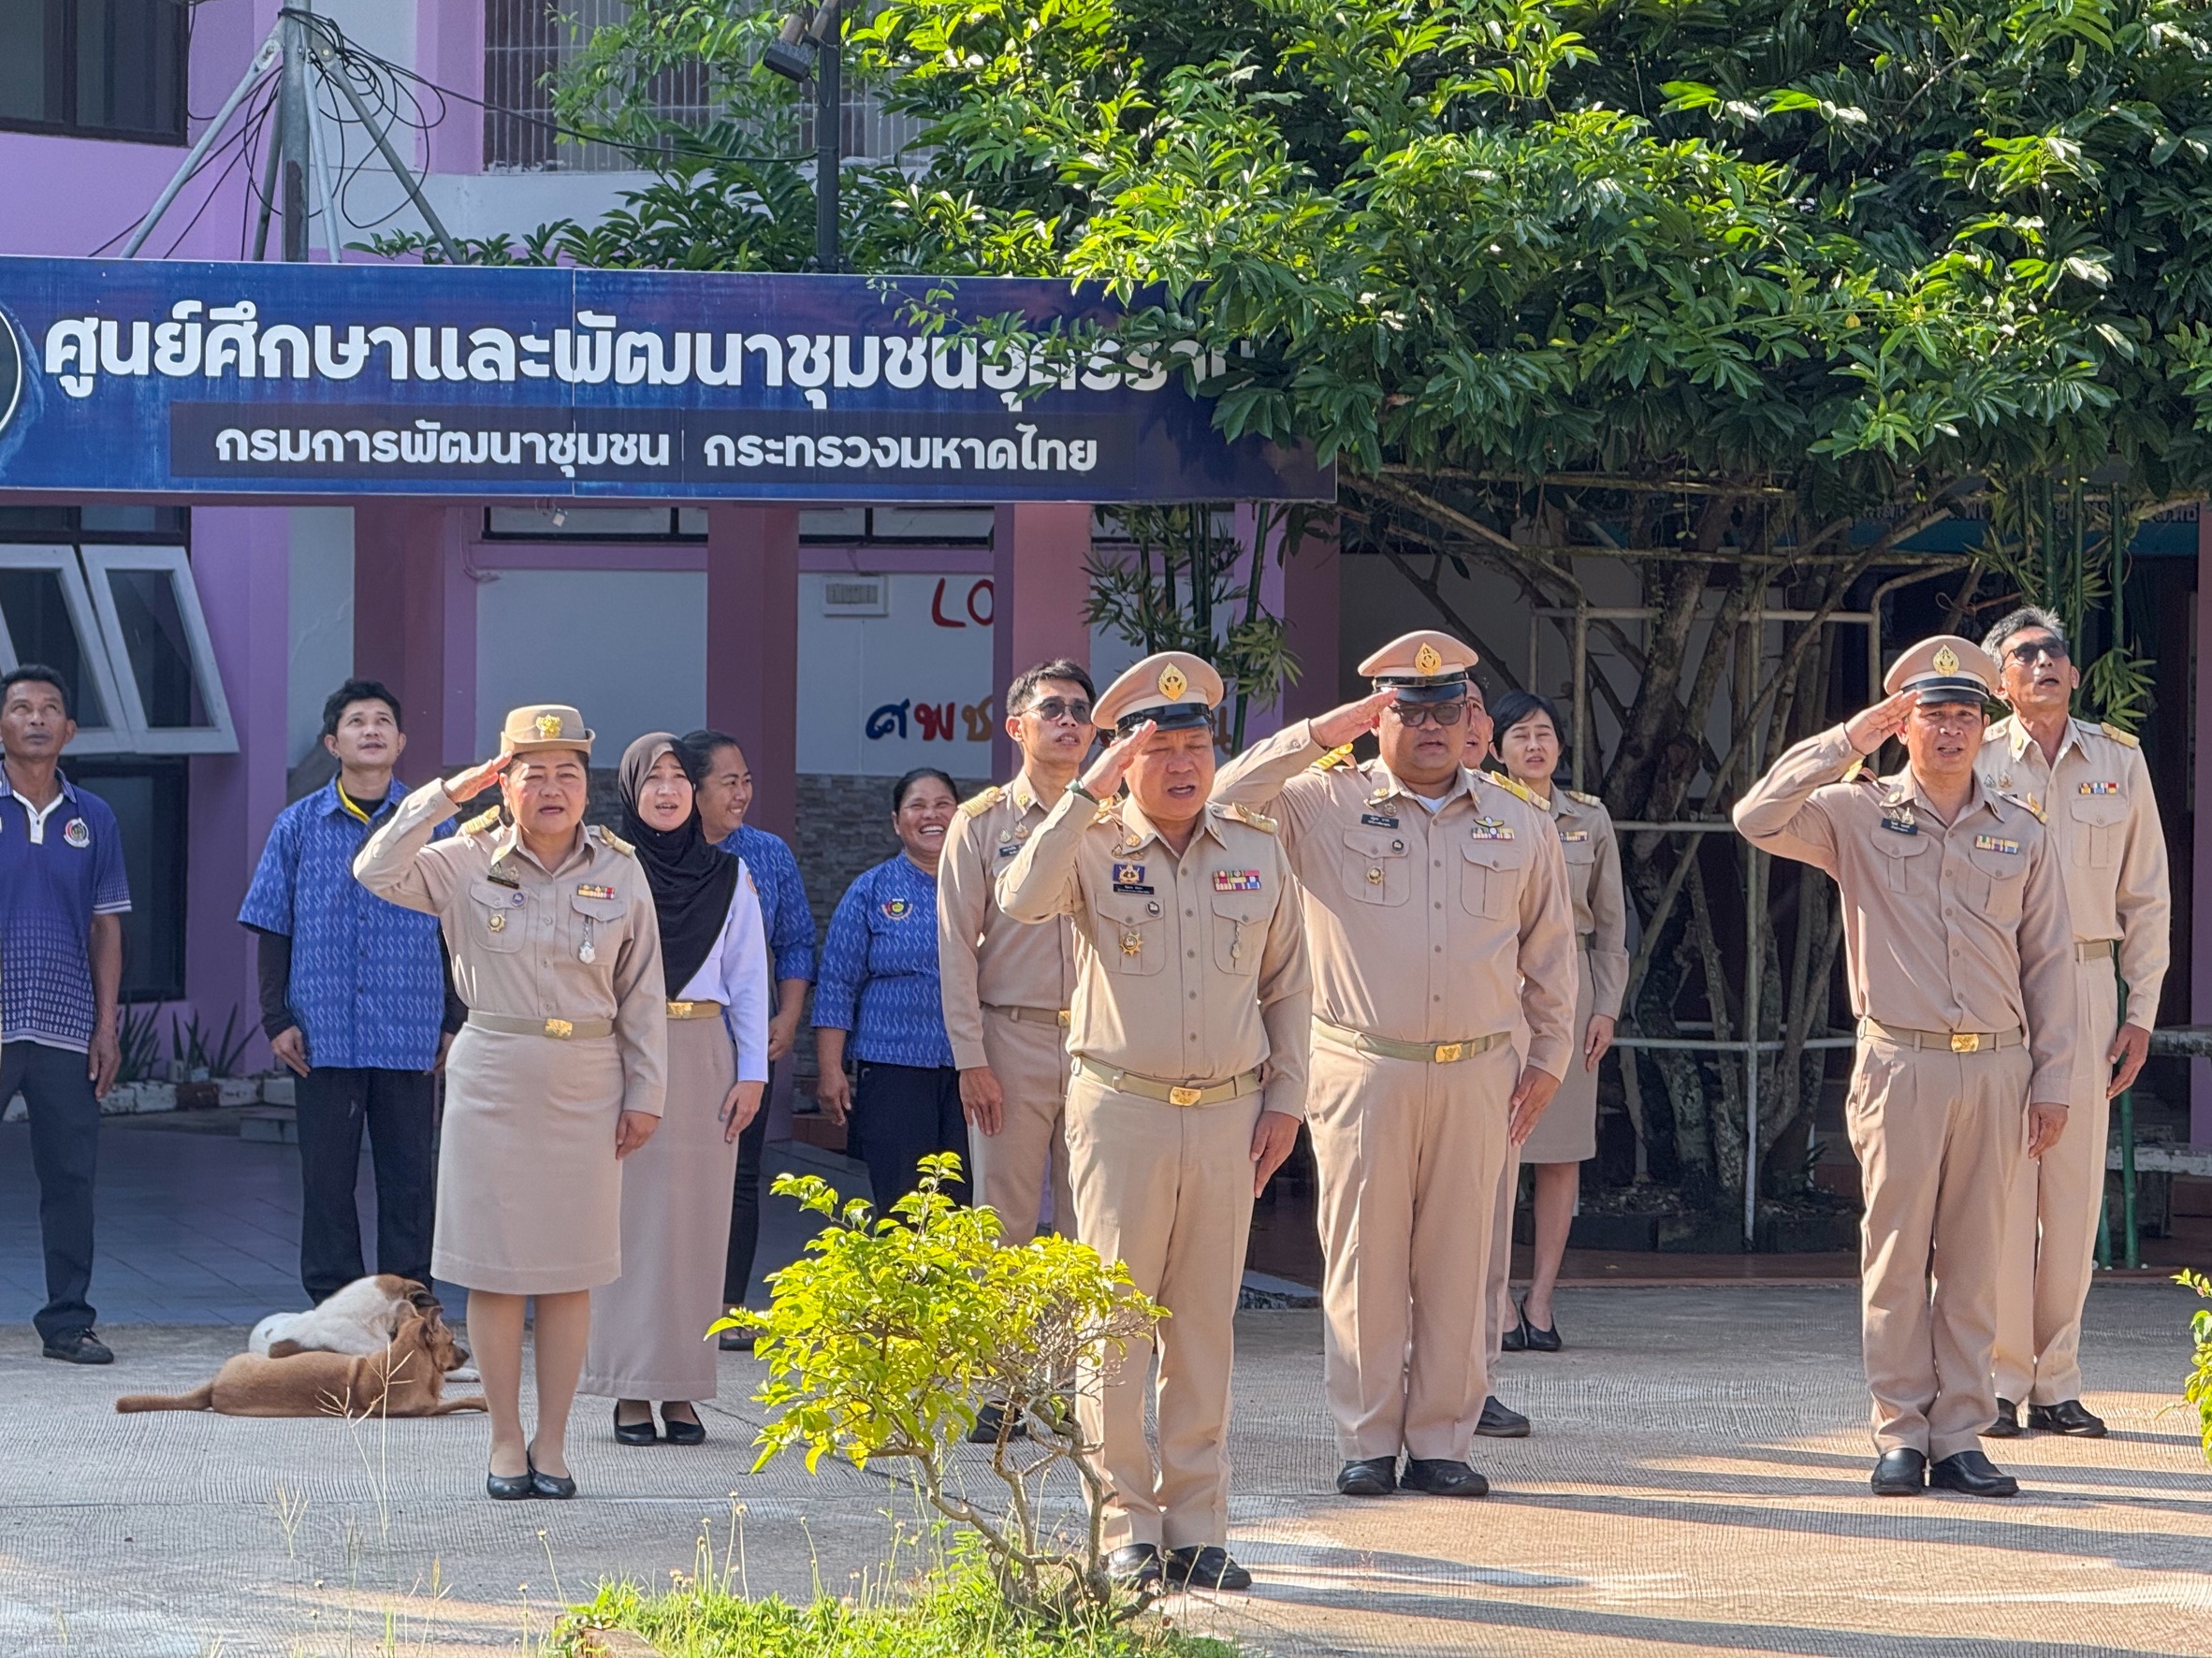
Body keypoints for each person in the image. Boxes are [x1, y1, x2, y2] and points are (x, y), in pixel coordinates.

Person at [1210, 633, 1575, 1500]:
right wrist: (1319, 734)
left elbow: (1552, 950)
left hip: (1480, 1071)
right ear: (1378, 719)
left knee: (1461, 1263)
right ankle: (1369, 1439)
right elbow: (1226, 799)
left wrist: (1551, 1055)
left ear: (1470, 716)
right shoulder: (1322, 801)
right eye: (1409, 712)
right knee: (1364, 1261)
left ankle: (1442, 1440)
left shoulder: (1517, 818)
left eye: (1448, 709)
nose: (1432, 727)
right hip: (1362, 1065)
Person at [1734, 636, 2075, 1499]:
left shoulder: (2021, 829)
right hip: (1900, 1064)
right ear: (1905, 725)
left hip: (1995, 1067)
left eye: (1965, 715)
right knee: (1892, 1258)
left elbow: (2049, 964)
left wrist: (2053, 1079)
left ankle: (1960, 1434)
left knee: (1975, 1260)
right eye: (1933, 716)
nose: (1950, 731)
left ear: (1984, 726)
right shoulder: (1856, 812)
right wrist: (1849, 739)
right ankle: (1898, 1431)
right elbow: (1757, 816)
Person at [998, 650, 1309, 1593]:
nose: (1183, 765)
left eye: (1196, 746)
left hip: (1227, 1115)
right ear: (1126, 758)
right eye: (1159, 748)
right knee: (1116, 1328)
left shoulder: (1254, 848)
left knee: (1204, 1327)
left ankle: (1199, 1524)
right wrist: (1086, 792)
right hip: (1122, 1110)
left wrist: (1287, 1098)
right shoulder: (1091, 841)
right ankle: (1125, 1525)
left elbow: (1289, 984)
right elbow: (1020, 898)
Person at [355, 705, 666, 1501]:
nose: (552, 789)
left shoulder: (621, 868)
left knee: (569, 1273)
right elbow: (374, 871)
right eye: (533, 774)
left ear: (587, 786)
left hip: (588, 1079)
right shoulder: (465, 858)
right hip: (492, 1075)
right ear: (504, 782)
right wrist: (443, 797)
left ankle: (552, 1443)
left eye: (568, 773)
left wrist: (647, 1091)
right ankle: (503, 1440)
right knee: (493, 1274)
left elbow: (642, 991)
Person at [1976, 607, 2169, 1439]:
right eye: (2023, 654)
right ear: (2000, 682)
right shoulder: (1973, 756)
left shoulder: (2119, 761)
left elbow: (2147, 895)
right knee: (2000, 1190)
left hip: (2090, 982)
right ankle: (1995, 1379)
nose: (2042, 663)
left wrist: (2142, 1011)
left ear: (2075, 672)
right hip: (1998, 986)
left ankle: (2055, 1382)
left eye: (2053, 651)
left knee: (2073, 1190)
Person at [239, 679, 462, 1305]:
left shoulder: (435, 826)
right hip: (322, 1032)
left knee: (410, 1180)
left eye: (383, 720)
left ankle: (410, 1303)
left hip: (410, 1028)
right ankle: (334, 1305)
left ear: (401, 741)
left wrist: (454, 1018)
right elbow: (273, 923)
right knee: (327, 1181)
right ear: (333, 743)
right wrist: (275, 1017)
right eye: (357, 721)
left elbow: (458, 928)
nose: (371, 730)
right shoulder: (296, 826)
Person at [582, 734, 769, 1447]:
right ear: (631, 791)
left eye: (679, 778)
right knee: (625, 1222)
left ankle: (683, 1386)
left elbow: (749, 978)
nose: (667, 791)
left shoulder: (730, 875)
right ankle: (630, 1386)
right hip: (621, 1048)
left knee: (696, 1225)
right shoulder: (606, 869)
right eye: (653, 779)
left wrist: (753, 1072)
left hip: (702, 1052)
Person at [1483, 691, 1628, 1364]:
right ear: (1496, 749)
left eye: (1544, 734)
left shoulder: (1588, 819)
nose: (1534, 745)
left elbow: (1611, 922)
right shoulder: (1479, 811)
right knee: (1492, 1151)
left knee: (1561, 1150)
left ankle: (1540, 1301)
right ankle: (1495, 1302)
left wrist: (1607, 1005)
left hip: (1570, 989)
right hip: (1494, 989)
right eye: (1520, 735)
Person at [938, 660, 1093, 1242]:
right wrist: (970, 1060)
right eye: (1051, 709)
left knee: (1093, 1222)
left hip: (1099, 1042)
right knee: (1002, 1223)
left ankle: (1080, 1314)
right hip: (1010, 1040)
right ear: (1016, 727)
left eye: (1080, 711)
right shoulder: (979, 823)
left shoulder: (1115, 820)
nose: (1068, 721)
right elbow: (955, 947)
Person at [0, 665, 129, 1364]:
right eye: (21, 707)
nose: (36, 718)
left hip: (65, 1028)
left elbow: (107, 925)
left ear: (70, 730)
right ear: (2, 724)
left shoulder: (94, 817)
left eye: (50, 708)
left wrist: (105, 1027)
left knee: (71, 1180)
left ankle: (68, 1323)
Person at [682, 729, 815, 1351]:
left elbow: (796, 940)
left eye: (747, 781)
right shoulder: (654, 852)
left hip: (746, 1038)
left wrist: (788, 1015)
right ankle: (667, 1304)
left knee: (738, 1174)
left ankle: (729, 1305)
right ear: (693, 789)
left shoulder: (767, 853)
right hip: (674, 1036)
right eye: (728, 782)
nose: (741, 794)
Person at [813, 767, 968, 1217]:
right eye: (917, 806)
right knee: (902, 1203)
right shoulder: (871, 889)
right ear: (897, 822)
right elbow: (837, 984)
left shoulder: (986, 885)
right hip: (893, 1069)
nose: (931, 815)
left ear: (960, 816)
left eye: (942, 804)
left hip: (974, 1069)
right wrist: (830, 1069)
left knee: (965, 1204)